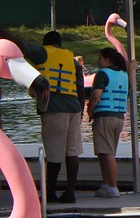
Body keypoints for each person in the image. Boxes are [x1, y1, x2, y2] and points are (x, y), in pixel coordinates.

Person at [2, 30, 85, 203]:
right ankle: (70, 193)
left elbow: (19, 45)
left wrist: (3, 33)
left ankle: (50, 193)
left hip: (55, 109)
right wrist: (81, 110)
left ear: (46, 43)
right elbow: (80, 87)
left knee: (54, 153)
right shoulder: (72, 60)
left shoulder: (43, 53)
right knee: (72, 153)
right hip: (74, 109)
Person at [86, 47, 129, 198]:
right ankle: (107, 184)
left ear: (107, 60)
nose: (98, 61)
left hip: (104, 116)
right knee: (106, 152)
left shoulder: (102, 74)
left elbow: (96, 95)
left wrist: (89, 109)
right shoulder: (124, 74)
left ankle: (112, 186)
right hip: (119, 117)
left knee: (106, 152)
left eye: (100, 58)